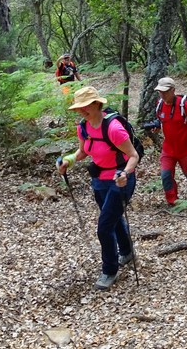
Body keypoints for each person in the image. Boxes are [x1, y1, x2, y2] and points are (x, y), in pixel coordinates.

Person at [57, 86, 138, 291]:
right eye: (78, 107)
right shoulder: (83, 127)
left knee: (104, 227)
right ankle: (127, 252)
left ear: (96, 104)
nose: (81, 110)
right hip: (99, 180)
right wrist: (69, 160)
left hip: (120, 180)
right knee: (113, 218)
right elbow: (84, 151)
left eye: (85, 106)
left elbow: (134, 156)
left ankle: (109, 270)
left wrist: (125, 174)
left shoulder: (113, 128)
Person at [154, 77, 187, 207]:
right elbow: (162, 122)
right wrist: (156, 128)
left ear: (173, 90)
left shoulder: (184, 105)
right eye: (160, 92)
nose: (162, 94)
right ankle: (173, 202)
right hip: (168, 149)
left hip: (186, 149)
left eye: (165, 91)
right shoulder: (159, 104)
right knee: (166, 175)